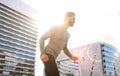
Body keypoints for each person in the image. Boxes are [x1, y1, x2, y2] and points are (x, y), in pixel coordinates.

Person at [40, 12, 78, 76]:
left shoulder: (68, 35)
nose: (75, 21)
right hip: (48, 55)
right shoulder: (55, 28)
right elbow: (42, 39)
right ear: (67, 17)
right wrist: (42, 53)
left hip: (53, 58)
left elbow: (65, 49)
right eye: (73, 18)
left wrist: (72, 56)